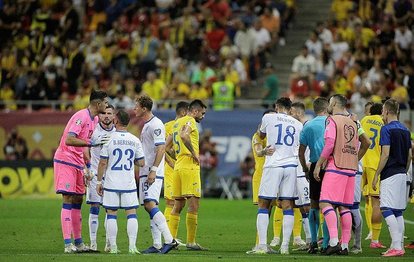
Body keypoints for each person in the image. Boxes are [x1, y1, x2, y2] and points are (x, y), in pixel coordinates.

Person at [53, 90, 109, 253]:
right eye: (105, 102)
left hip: (78, 163)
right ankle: (67, 244)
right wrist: (91, 144)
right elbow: (69, 139)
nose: (107, 105)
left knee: (78, 199)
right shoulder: (82, 116)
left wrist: (88, 165)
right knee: (68, 198)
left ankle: (78, 243)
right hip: (66, 159)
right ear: (98, 104)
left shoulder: (95, 119)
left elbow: (85, 143)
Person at [314, 94, 369, 255]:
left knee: (325, 203)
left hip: (336, 166)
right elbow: (367, 142)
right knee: (344, 207)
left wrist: (319, 164)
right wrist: (354, 158)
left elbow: (330, 143)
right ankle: (344, 245)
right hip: (351, 170)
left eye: (330, 103)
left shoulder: (332, 120)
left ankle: (333, 242)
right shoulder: (354, 121)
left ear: (335, 103)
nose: (329, 106)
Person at [252, 97, 303, 255]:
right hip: (291, 166)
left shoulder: (268, 117)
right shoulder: (298, 124)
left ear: (276, 106)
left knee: (264, 204)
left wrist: (262, 150)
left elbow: (260, 135)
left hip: (273, 164)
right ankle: (285, 247)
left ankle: (261, 245)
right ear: (290, 108)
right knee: (287, 205)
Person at [96, 109, 145, 254]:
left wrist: (99, 182)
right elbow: (142, 163)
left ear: (116, 121)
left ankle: (114, 247)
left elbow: (102, 163)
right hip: (128, 183)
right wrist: (131, 160)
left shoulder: (108, 139)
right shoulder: (135, 140)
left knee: (111, 213)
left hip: (111, 183)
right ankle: (132, 247)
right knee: (131, 214)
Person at [134, 95, 178, 254]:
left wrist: (153, 170)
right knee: (149, 206)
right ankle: (157, 244)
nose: (134, 109)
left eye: (136, 106)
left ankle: (169, 240)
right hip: (146, 171)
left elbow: (161, 148)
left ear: (144, 109)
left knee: (149, 204)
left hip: (153, 171)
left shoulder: (156, 124)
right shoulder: (147, 125)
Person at [372, 99, 411, 257]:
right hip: (402, 173)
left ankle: (396, 247)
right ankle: (398, 244)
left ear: (386, 111)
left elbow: (385, 154)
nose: (382, 113)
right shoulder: (405, 130)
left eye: (382, 110)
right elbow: (409, 155)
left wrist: (376, 175)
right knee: (397, 211)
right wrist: (404, 171)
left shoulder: (386, 129)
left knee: (386, 208)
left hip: (390, 173)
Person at [167, 99, 208, 250]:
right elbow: (185, 136)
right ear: (195, 111)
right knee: (194, 204)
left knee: (178, 204)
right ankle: (191, 242)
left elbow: (166, 146)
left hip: (178, 166)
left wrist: (178, 156)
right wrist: (193, 154)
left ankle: (170, 240)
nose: (203, 116)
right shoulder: (190, 120)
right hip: (189, 166)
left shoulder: (176, 123)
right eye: (202, 113)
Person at [298, 97, 329, 254]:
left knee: (314, 205)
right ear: (327, 107)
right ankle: (327, 243)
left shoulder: (308, 125)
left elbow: (301, 152)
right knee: (329, 206)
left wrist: (305, 169)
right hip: (330, 167)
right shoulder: (331, 123)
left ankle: (313, 242)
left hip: (314, 166)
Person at [85, 105, 115, 252]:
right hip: (95, 174)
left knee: (110, 210)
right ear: (99, 115)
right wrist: (87, 167)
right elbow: (84, 148)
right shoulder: (93, 130)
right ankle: (93, 243)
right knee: (95, 208)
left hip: (111, 177)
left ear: (114, 115)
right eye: (103, 113)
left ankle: (109, 243)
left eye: (109, 113)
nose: (106, 116)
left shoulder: (118, 132)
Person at [247, 109, 276, 253]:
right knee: (263, 209)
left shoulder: (275, 135)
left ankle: (263, 243)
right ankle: (259, 244)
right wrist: (264, 151)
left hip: (273, 174)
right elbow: (258, 150)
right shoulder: (257, 136)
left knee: (270, 210)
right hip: (262, 176)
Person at [361, 103, 386, 249]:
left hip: (360, 163)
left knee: (350, 202)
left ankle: (343, 238)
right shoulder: (383, 124)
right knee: (376, 202)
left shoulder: (364, 120)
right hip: (374, 165)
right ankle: (374, 240)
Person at [163, 101, 189, 239]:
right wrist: (170, 162)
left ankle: (172, 236)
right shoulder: (168, 126)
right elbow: (162, 149)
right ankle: (169, 237)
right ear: (184, 112)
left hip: (181, 167)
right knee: (171, 202)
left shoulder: (185, 126)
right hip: (171, 168)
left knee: (179, 202)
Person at [290, 102, 311, 249]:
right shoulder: (295, 129)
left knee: (309, 207)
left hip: (305, 173)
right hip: (295, 173)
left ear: (297, 113)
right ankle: (309, 240)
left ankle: (315, 240)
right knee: (302, 208)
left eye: (291, 113)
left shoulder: (308, 127)